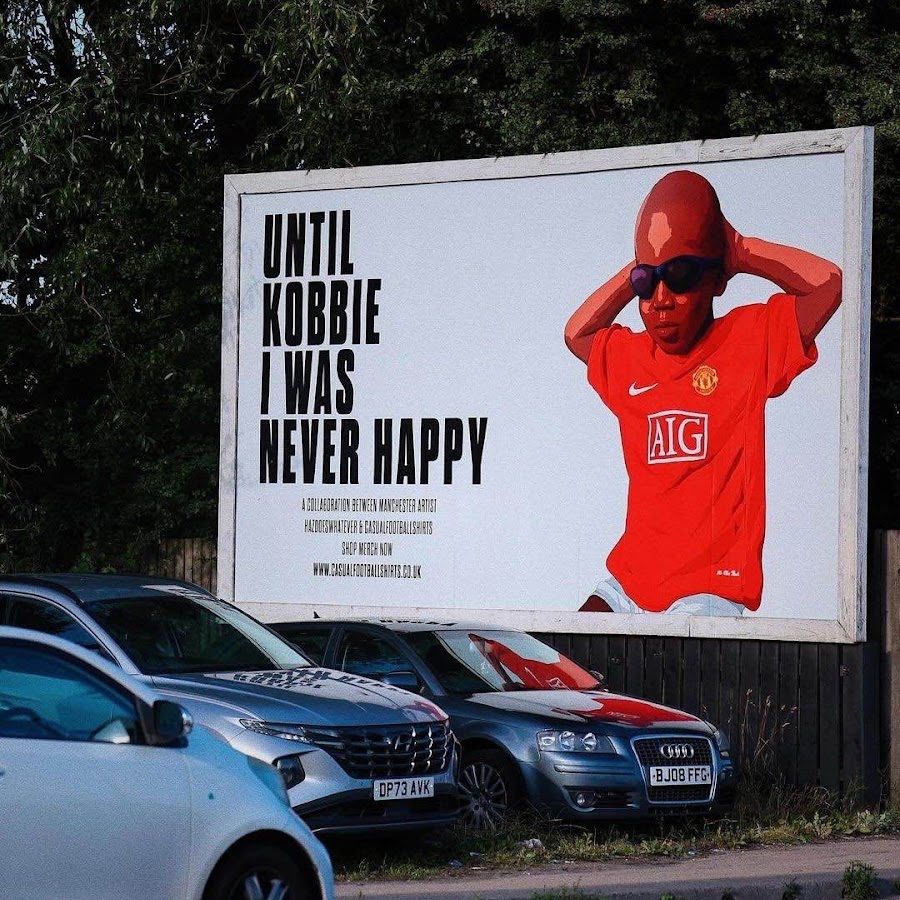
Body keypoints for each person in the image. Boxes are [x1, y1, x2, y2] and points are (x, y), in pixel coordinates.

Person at [564, 169, 842, 615]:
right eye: (646, 284)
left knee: (672, 661)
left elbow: (827, 284)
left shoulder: (749, 341)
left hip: (708, 590)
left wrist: (740, 249)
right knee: (561, 655)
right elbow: (576, 332)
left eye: (680, 274)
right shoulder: (632, 358)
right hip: (629, 584)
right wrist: (645, 263)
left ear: (717, 278)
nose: (660, 299)